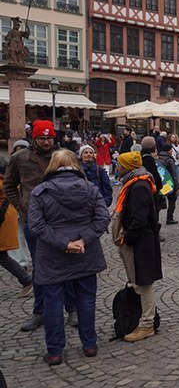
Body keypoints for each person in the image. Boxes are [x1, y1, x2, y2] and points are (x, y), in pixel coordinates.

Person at [27, 149, 109, 365]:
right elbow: (102, 219)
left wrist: (64, 243)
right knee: (86, 299)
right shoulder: (90, 188)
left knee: (52, 302)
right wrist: (83, 240)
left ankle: (55, 351)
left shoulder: (40, 192)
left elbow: (36, 225)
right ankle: (89, 344)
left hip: (53, 256)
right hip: (85, 253)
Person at [4, 120, 76, 331]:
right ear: (34, 138)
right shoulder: (20, 158)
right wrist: (22, 208)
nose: (46, 142)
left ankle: (72, 309)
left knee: (68, 266)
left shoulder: (62, 156)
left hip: (62, 221)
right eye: (42, 138)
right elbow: (9, 185)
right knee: (40, 268)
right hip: (34, 221)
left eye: (49, 138)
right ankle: (40, 312)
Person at [112, 151, 163, 342]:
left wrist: (127, 238)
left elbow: (139, 219)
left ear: (127, 167)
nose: (116, 167)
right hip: (140, 241)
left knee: (143, 284)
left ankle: (147, 324)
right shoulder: (134, 182)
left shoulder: (139, 185)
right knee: (140, 282)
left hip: (141, 243)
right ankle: (143, 318)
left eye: (119, 164)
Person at [0, 155, 32, 297]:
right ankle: (25, 279)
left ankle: (26, 280)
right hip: (6, 216)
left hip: (3, 218)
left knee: (1, 255)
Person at [158, 144, 179, 225]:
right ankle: (169, 218)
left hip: (160, 182)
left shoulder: (158, 158)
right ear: (169, 150)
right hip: (169, 183)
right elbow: (174, 175)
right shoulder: (169, 160)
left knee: (159, 202)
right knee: (172, 201)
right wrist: (177, 187)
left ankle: (156, 218)